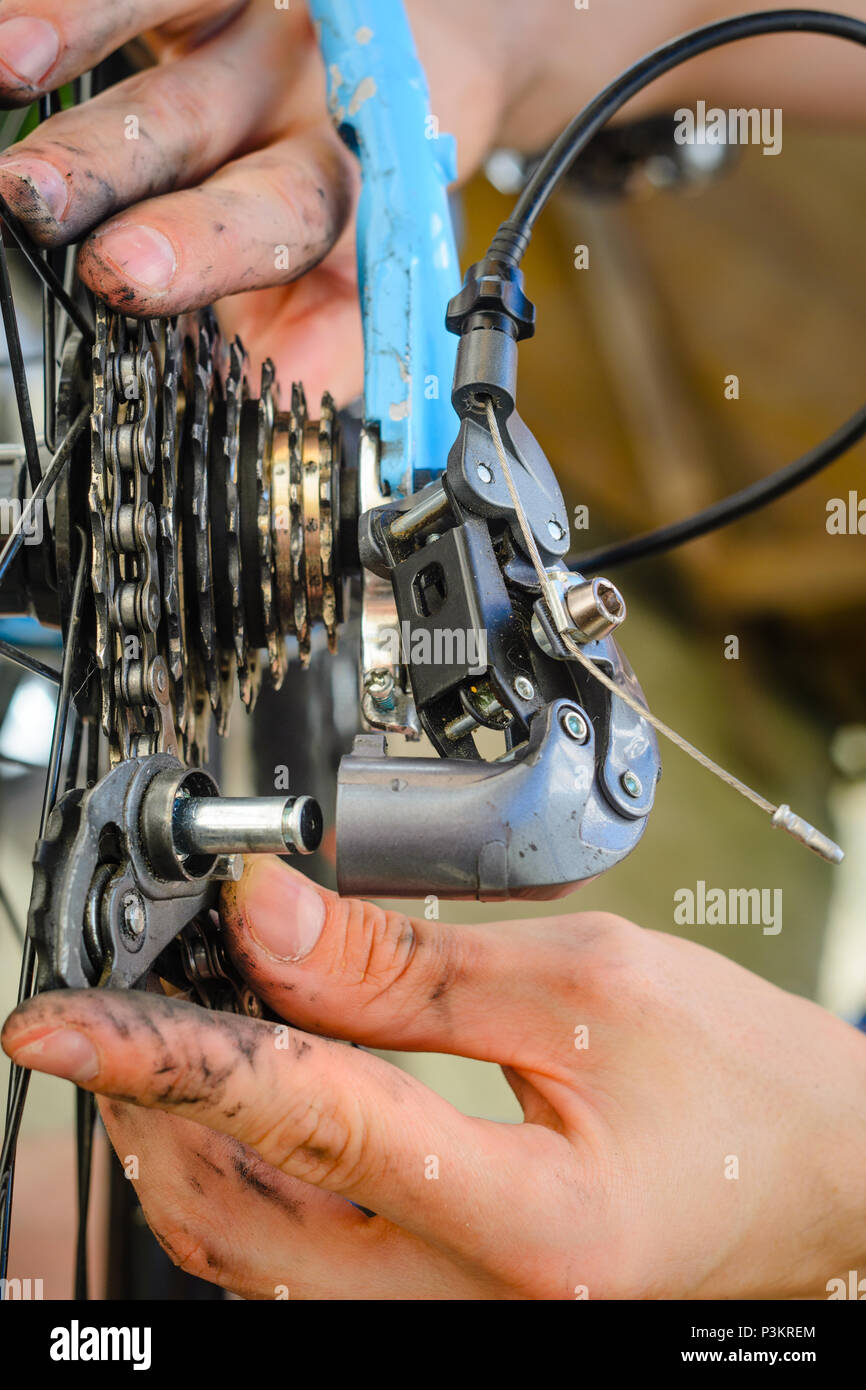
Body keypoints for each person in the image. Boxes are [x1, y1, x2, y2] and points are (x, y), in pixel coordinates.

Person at [0, 0, 864, 1299]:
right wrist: (535, 35)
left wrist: (839, 1175)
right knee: (355, 1199)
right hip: (585, 512)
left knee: (618, 1214)